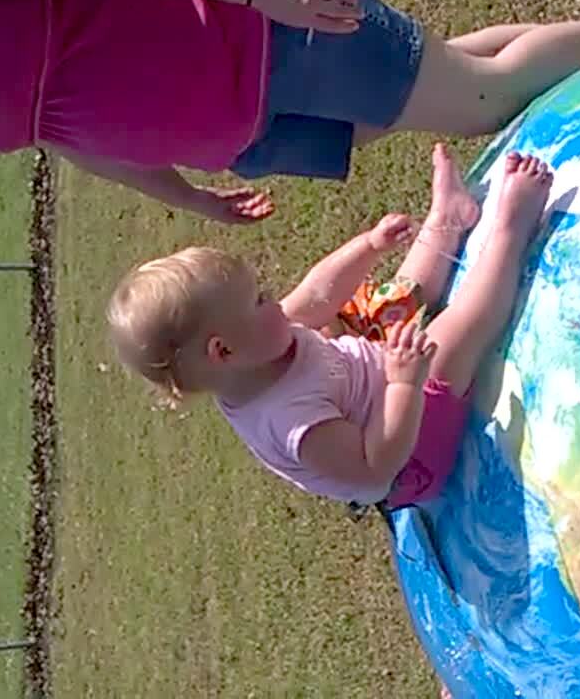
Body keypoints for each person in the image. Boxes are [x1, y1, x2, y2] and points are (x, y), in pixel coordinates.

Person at [0, 0, 580, 223]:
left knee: (478, 100)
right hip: (235, 129)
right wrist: (179, 191)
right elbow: (60, 136)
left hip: (249, 37)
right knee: (433, 86)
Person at [106, 143, 551, 507]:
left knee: (385, 304)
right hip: (410, 452)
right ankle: (513, 226)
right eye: (259, 301)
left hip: (371, 375)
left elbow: (319, 293)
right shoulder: (293, 422)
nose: (274, 303)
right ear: (223, 351)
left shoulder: (259, 346)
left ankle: (449, 218)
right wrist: (403, 386)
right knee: (452, 335)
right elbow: (377, 465)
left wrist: (369, 246)